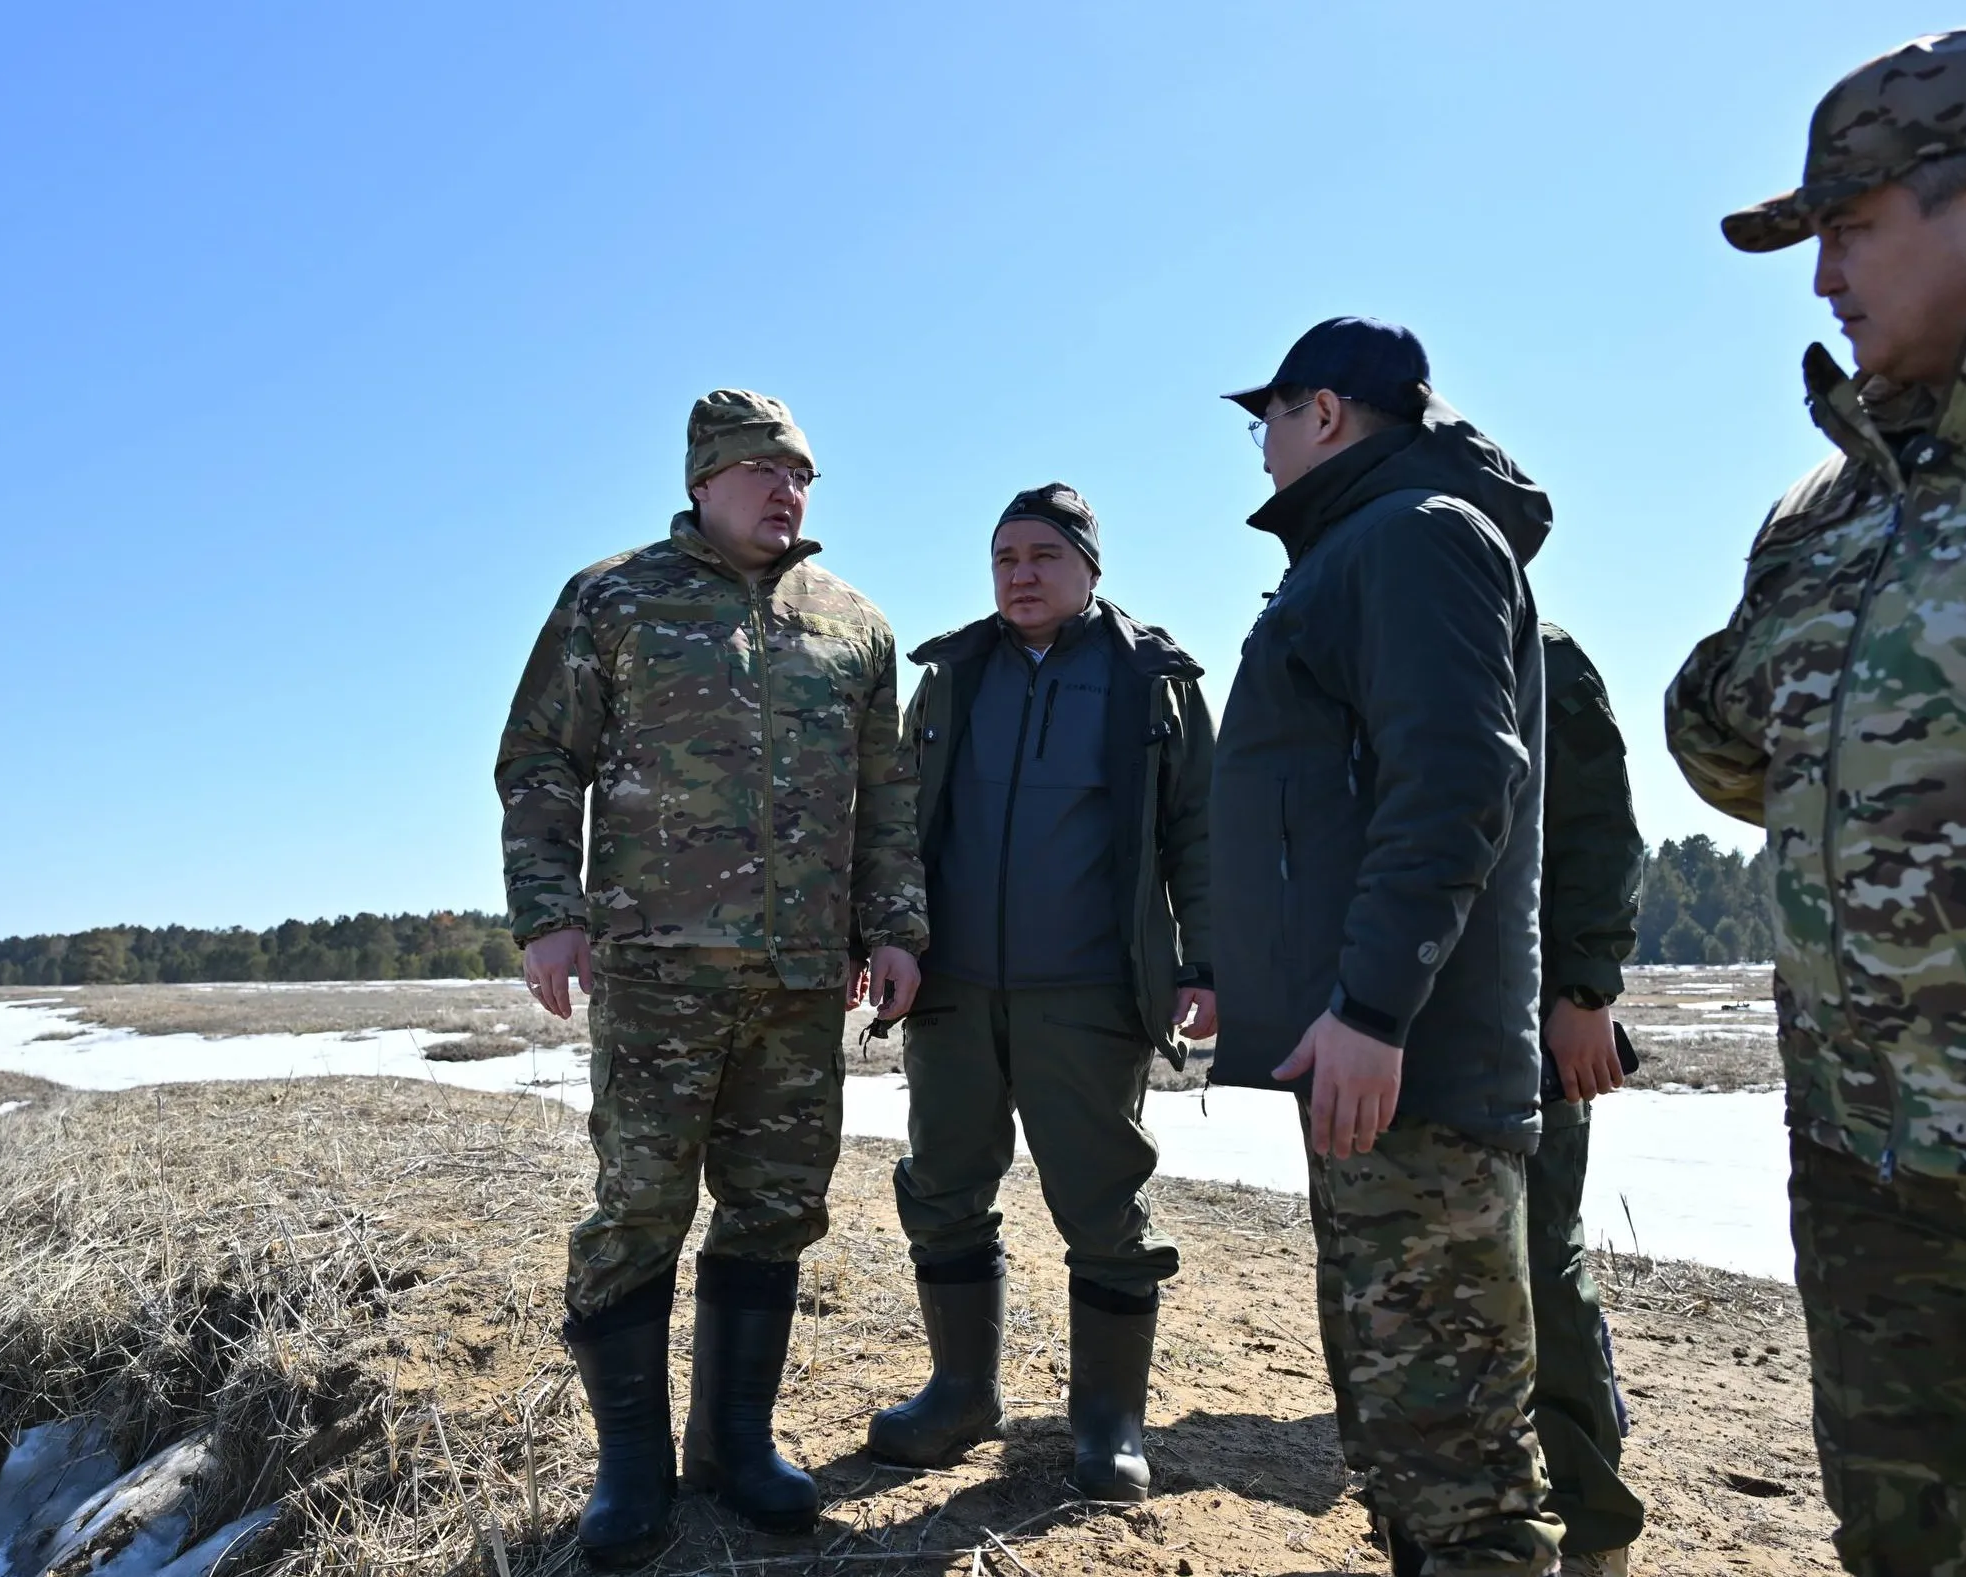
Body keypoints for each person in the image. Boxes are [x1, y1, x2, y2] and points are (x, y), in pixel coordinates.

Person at [1666, 27, 1966, 1572]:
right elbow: (1726, 749)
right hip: (1872, 1164)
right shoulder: (1827, 501)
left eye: (1854, 227)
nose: (1824, 278)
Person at [496, 389, 928, 1563]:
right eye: (758, 470)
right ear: (701, 479)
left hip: (800, 978)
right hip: (656, 968)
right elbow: (540, 755)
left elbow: (888, 798)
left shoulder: (853, 625)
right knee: (639, 1207)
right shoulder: (615, 598)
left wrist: (894, 929)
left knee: (775, 1209)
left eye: (799, 475)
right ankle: (629, 1468)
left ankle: (735, 1443)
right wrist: (548, 912)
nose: (784, 490)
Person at [1206, 317, 1561, 1576]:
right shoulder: (1361, 544)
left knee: (1458, 1462)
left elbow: (1453, 776)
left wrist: (1373, 1003)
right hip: (1365, 1064)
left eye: (1268, 418)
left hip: (1413, 1068)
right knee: (1404, 1436)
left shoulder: (1416, 536)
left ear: (1326, 413)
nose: (1258, 450)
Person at [865, 483, 1217, 1500]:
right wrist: (883, 935)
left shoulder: (1152, 678)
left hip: (1091, 990)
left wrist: (1206, 963)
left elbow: (1200, 828)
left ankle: (1106, 1423)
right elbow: (895, 818)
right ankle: (959, 1394)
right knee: (941, 1188)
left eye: (1042, 556)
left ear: (1088, 568)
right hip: (953, 987)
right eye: (1003, 556)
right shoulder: (952, 674)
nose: (1020, 573)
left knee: (1105, 1206)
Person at [1526, 622, 1647, 1577]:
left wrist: (1586, 992)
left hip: (1528, 1024)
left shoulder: (1544, 653)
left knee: (1541, 1270)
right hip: (1386, 1026)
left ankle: (1593, 1526)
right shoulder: (1346, 634)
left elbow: (1599, 828)